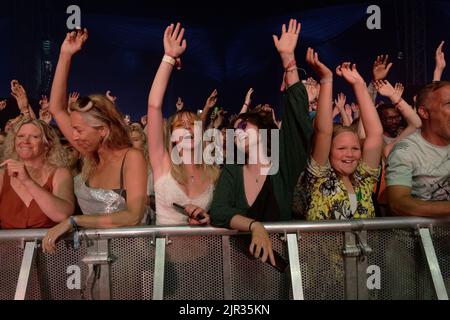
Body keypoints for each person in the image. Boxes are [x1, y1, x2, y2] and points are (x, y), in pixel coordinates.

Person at [210, 19, 313, 266]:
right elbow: (220, 212)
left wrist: (289, 59)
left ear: (263, 130)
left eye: (244, 126)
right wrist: (254, 226)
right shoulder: (233, 170)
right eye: (235, 131)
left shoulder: (282, 164)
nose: (239, 132)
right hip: (239, 270)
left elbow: (298, 120)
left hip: (283, 270)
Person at [42, 28, 147, 253]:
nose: (74, 136)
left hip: (131, 258)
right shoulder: (89, 153)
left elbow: (133, 215)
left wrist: (75, 221)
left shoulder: (131, 157)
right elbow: (57, 109)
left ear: (102, 130)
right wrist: (65, 55)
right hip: (93, 256)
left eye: (79, 129)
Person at [147, 23, 220, 226]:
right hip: (166, 255)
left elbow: (222, 215)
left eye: (192, 124)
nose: (188, 128)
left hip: (206, 255)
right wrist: (168, 58)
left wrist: (207, 218)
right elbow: (154, 106)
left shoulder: (213, 173)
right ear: (170, 136)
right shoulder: (162, 163)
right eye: (180, 125)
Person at [304, 49, 384, 220]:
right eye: (341, 148)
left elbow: (376, 134)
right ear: (328, 151)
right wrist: (326, 80)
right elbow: (324, 132)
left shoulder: (363, 180)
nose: (349, 154)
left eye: (355, 148)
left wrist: (359, 85)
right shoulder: (319, 179)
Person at [386, 81, 450, 216]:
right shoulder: (405, 151)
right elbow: (398, 203)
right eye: (449, 105)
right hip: (418, 236)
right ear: (424, 112)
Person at [0, 118, 74, 229]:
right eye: (20, 136)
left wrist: (27, 181)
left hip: (47, 245)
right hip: (8, 246)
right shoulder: (2, 175)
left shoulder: (60, 173)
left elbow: (62, 215)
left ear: (47, 144)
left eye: (34, 137)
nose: (25, 141)